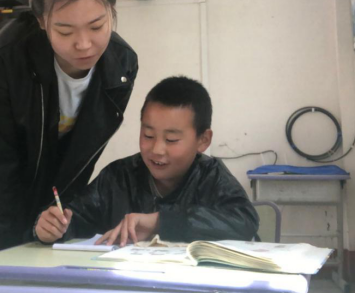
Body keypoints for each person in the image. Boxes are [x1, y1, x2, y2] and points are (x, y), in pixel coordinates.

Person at [0, 0, 139, 262]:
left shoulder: (121, 67)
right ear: (41, 21)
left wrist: (56, 216)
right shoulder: (5, 57)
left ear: (112, 10)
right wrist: (22, 235)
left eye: (97, 26)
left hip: (53, 174)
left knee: (50, 252)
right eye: (65, 31)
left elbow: (82, 157)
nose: (84, 44)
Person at [34, 76, 259, 247]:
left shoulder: (210, 176)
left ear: (203, 140)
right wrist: (49, 228)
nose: (157, 150)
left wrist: (160, 222)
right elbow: (75, 218)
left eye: (171, 139)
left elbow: (245, 221)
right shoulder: (118, 178)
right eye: (148, 135)